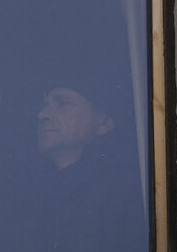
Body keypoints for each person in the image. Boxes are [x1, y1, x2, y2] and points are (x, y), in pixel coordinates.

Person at [20, 79, 148, 251]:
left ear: (102, 123)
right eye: (43, 106)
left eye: (62, 103)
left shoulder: (127, 187)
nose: (42, 114)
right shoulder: (30, 195)